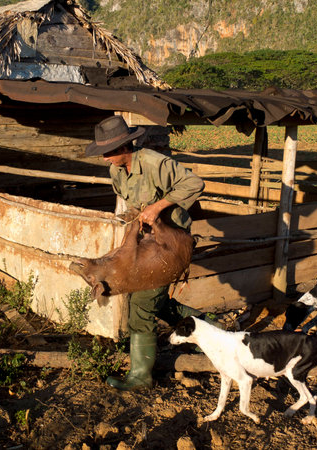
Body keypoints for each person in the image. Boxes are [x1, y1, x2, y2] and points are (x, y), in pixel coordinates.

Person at [85, 115, 207, 391]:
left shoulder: (155, 163)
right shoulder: (117, 171)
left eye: (107, 153)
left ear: (123, 148)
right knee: (158, 303)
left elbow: (194, 185)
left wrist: (158, 207)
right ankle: (211, 331)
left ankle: (141, 377)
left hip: (170, 244)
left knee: (141, 306)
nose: (104, 159)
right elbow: (133, 202)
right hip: (148, 244)